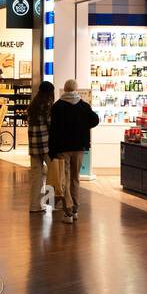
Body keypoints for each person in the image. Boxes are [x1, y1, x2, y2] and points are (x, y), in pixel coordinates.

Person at [48, 78, 99, 223]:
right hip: (79, 147)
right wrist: (83, 126)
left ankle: (68, 211)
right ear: (76, 89)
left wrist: (52, 150)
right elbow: (95, 120)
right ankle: (75, 210)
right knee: (75, 178)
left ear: (64, 89)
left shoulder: (57, 106)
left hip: (63, 148)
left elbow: (53, 130)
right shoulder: (83, 105)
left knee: (64, 180)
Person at [27, 81, 55, 212]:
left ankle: (34, 205)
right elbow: (50, 126)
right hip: (46, 146)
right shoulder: (47, 106)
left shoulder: (33, 106)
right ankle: (55, 203)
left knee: (36, 177)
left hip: (33, 146)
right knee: (54, 173)